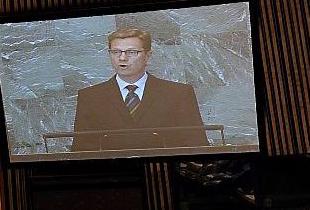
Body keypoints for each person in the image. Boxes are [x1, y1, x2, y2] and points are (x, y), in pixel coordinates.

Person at [71, 28, 208, 152]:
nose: (122, 58)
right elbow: (81, 150)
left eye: (131, 52)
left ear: (148, 56)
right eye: (116, 52)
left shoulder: (178, 94)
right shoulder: (90, 97)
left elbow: (196, 144)